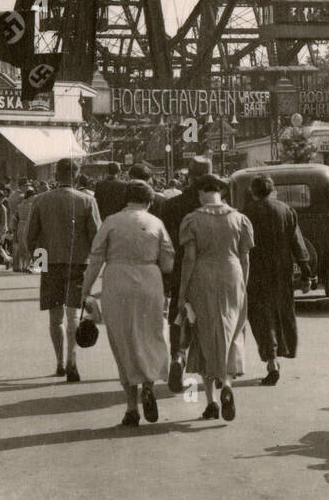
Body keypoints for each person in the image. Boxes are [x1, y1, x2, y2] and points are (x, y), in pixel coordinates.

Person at [82, 180, 174, 426]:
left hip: (117, 282)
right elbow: (167, 263)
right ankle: (148, 384)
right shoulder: (156, 223)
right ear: (149, 200)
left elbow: (95, 259)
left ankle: (132, 408)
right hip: (149, 282)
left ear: (126, 199)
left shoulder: (111, 222)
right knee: (150, 336)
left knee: (122, 342)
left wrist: (86, 290)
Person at [177, 174, 254, 422]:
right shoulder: (240, 219)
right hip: (232, 275)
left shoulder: (192, 220)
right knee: (232, 331)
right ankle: (228, 383)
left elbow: (189, 258)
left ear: (201, 193)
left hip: (203, 276)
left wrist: (182, 291)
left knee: (203, 333)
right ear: (221, 192)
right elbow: (245, 257)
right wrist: (243, 284)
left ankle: (211, 402)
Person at [26, 158, 101, 383]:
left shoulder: (40, 201)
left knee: (55, 317)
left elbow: (30, 237)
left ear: (55, 175)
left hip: (50, 263)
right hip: (78, 263)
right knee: (73, 315)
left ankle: (58, 362)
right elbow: (97, 236)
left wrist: (39, 263)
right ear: (76, 176)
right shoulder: (88, 201)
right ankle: (72, 360)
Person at [244, 174, 310, 385]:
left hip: (255, 272)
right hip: (282, 271)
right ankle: (281, 350)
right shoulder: (286, 210)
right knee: (281, 312)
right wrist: (306, 272)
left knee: (261, 316)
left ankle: (271, 359)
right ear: (272, 190)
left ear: (253, 192)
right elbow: (298, 244)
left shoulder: (245, 214)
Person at [161, 155, 214, 392]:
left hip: (179, 269)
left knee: (179, 315)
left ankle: (178, 357)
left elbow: (164, 243)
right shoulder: (220, 208)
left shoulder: (171, 205)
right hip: (211, 271)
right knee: (209, 319)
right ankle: (211, 374)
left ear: (189, 178)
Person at [12, 187, 36, 271]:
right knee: (28, 246)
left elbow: (15, 218)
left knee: (22, 246)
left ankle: (22, 265)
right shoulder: (32, 206)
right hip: (28, 226)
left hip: (20, 226)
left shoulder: (19, 205)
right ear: (30, 196)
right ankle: (27, 265)